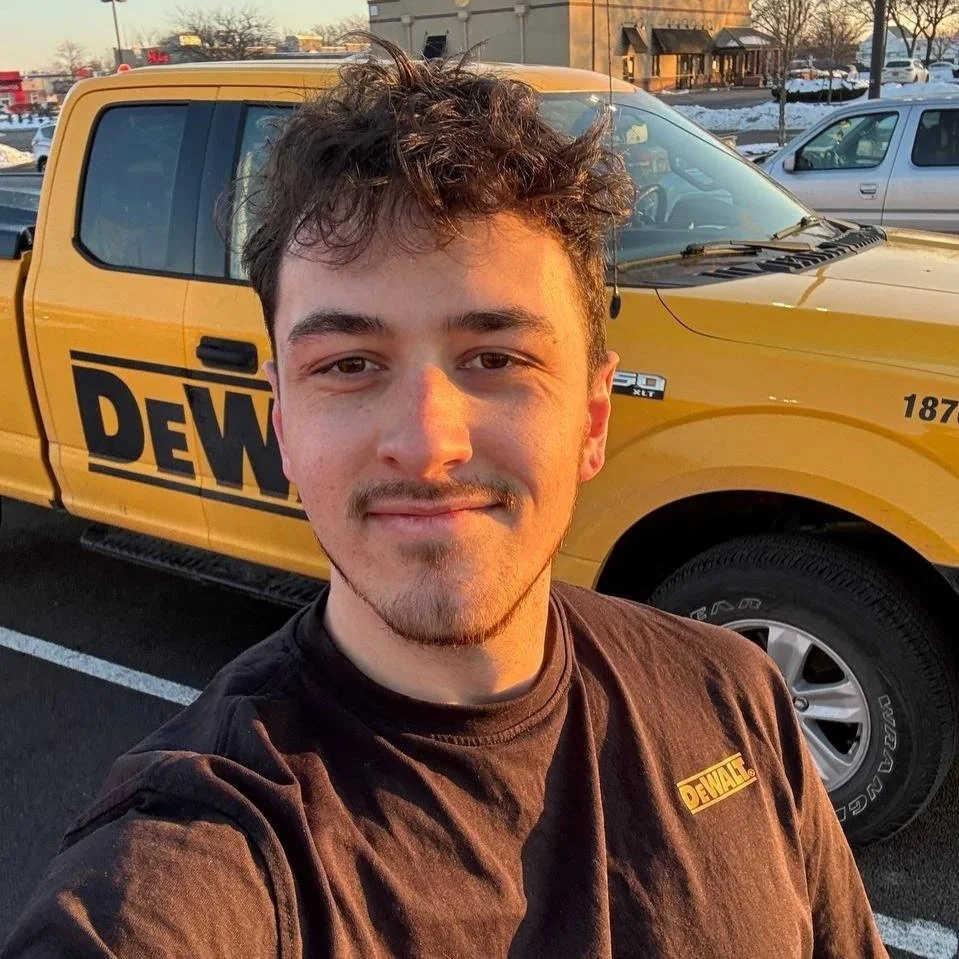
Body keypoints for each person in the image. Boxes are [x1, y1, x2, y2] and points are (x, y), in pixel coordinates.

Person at [1, 39, 889, 959]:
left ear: (592, 417)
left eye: (494, 358)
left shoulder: (736, 696)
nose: (427, 444)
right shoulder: (197, 857)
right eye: (349, 364)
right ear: (282, 425)